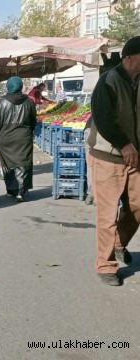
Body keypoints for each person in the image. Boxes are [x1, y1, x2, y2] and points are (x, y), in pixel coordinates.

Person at [88, 36, 140, 286]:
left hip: (135, 157)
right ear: (130, 58)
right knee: (107, 213)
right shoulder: (108, 80)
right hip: (108, 156)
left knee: (138, 206)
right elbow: (104, 118)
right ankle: (106, 265)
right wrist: (124, 143)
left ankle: (119, 243)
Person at [0, 76, 36, 202]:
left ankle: (11, 189)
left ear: (8, 87)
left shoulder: (2, 102)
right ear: (20, 86)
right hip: (24, 137)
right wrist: (30, 131)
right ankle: (21, 191)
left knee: (8, 164)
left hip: (6, 139)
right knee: (23, 163)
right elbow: (33, 121)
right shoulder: (29, 102)